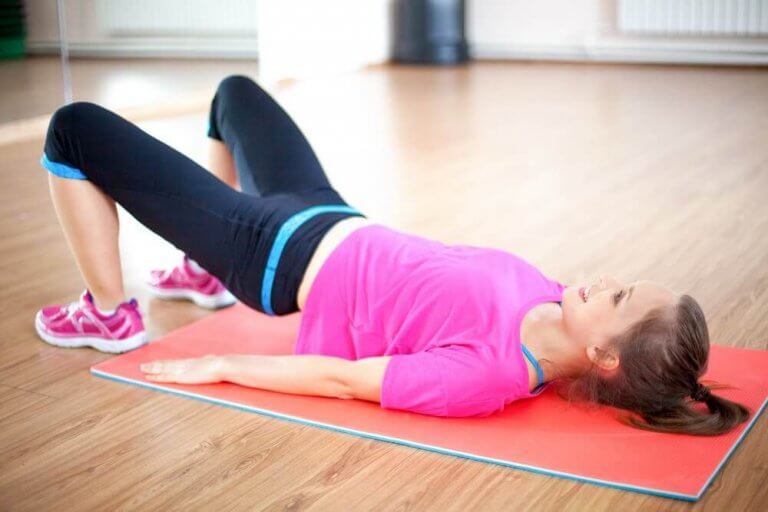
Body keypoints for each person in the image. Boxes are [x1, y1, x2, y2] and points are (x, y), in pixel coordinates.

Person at [35, 75, 750, 435]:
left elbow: (348, 381)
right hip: (327, 208)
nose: (607, 283)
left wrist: (222, 366)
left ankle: (109, 314)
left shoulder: (486, 375)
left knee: (73, 129)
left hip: (269, 253)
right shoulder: (555, 299)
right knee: (233, 95)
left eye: (620, 299)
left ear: (604, 358)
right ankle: (198, 270)